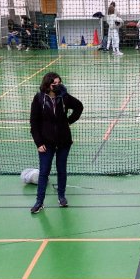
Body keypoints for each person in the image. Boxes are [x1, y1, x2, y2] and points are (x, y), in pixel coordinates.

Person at [29, 72, 84, 214]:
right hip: (46, 143)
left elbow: (79, 106)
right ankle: (39, 202)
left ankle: (61, 197)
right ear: (47, 85)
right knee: (44, 172)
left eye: (59, 83)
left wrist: (68, 121)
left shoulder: (64, 97)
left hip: (64, 142)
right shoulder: (39, 99)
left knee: (61, 170)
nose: (58, 86)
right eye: (55, 84)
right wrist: (38, 143)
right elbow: (33, 123)